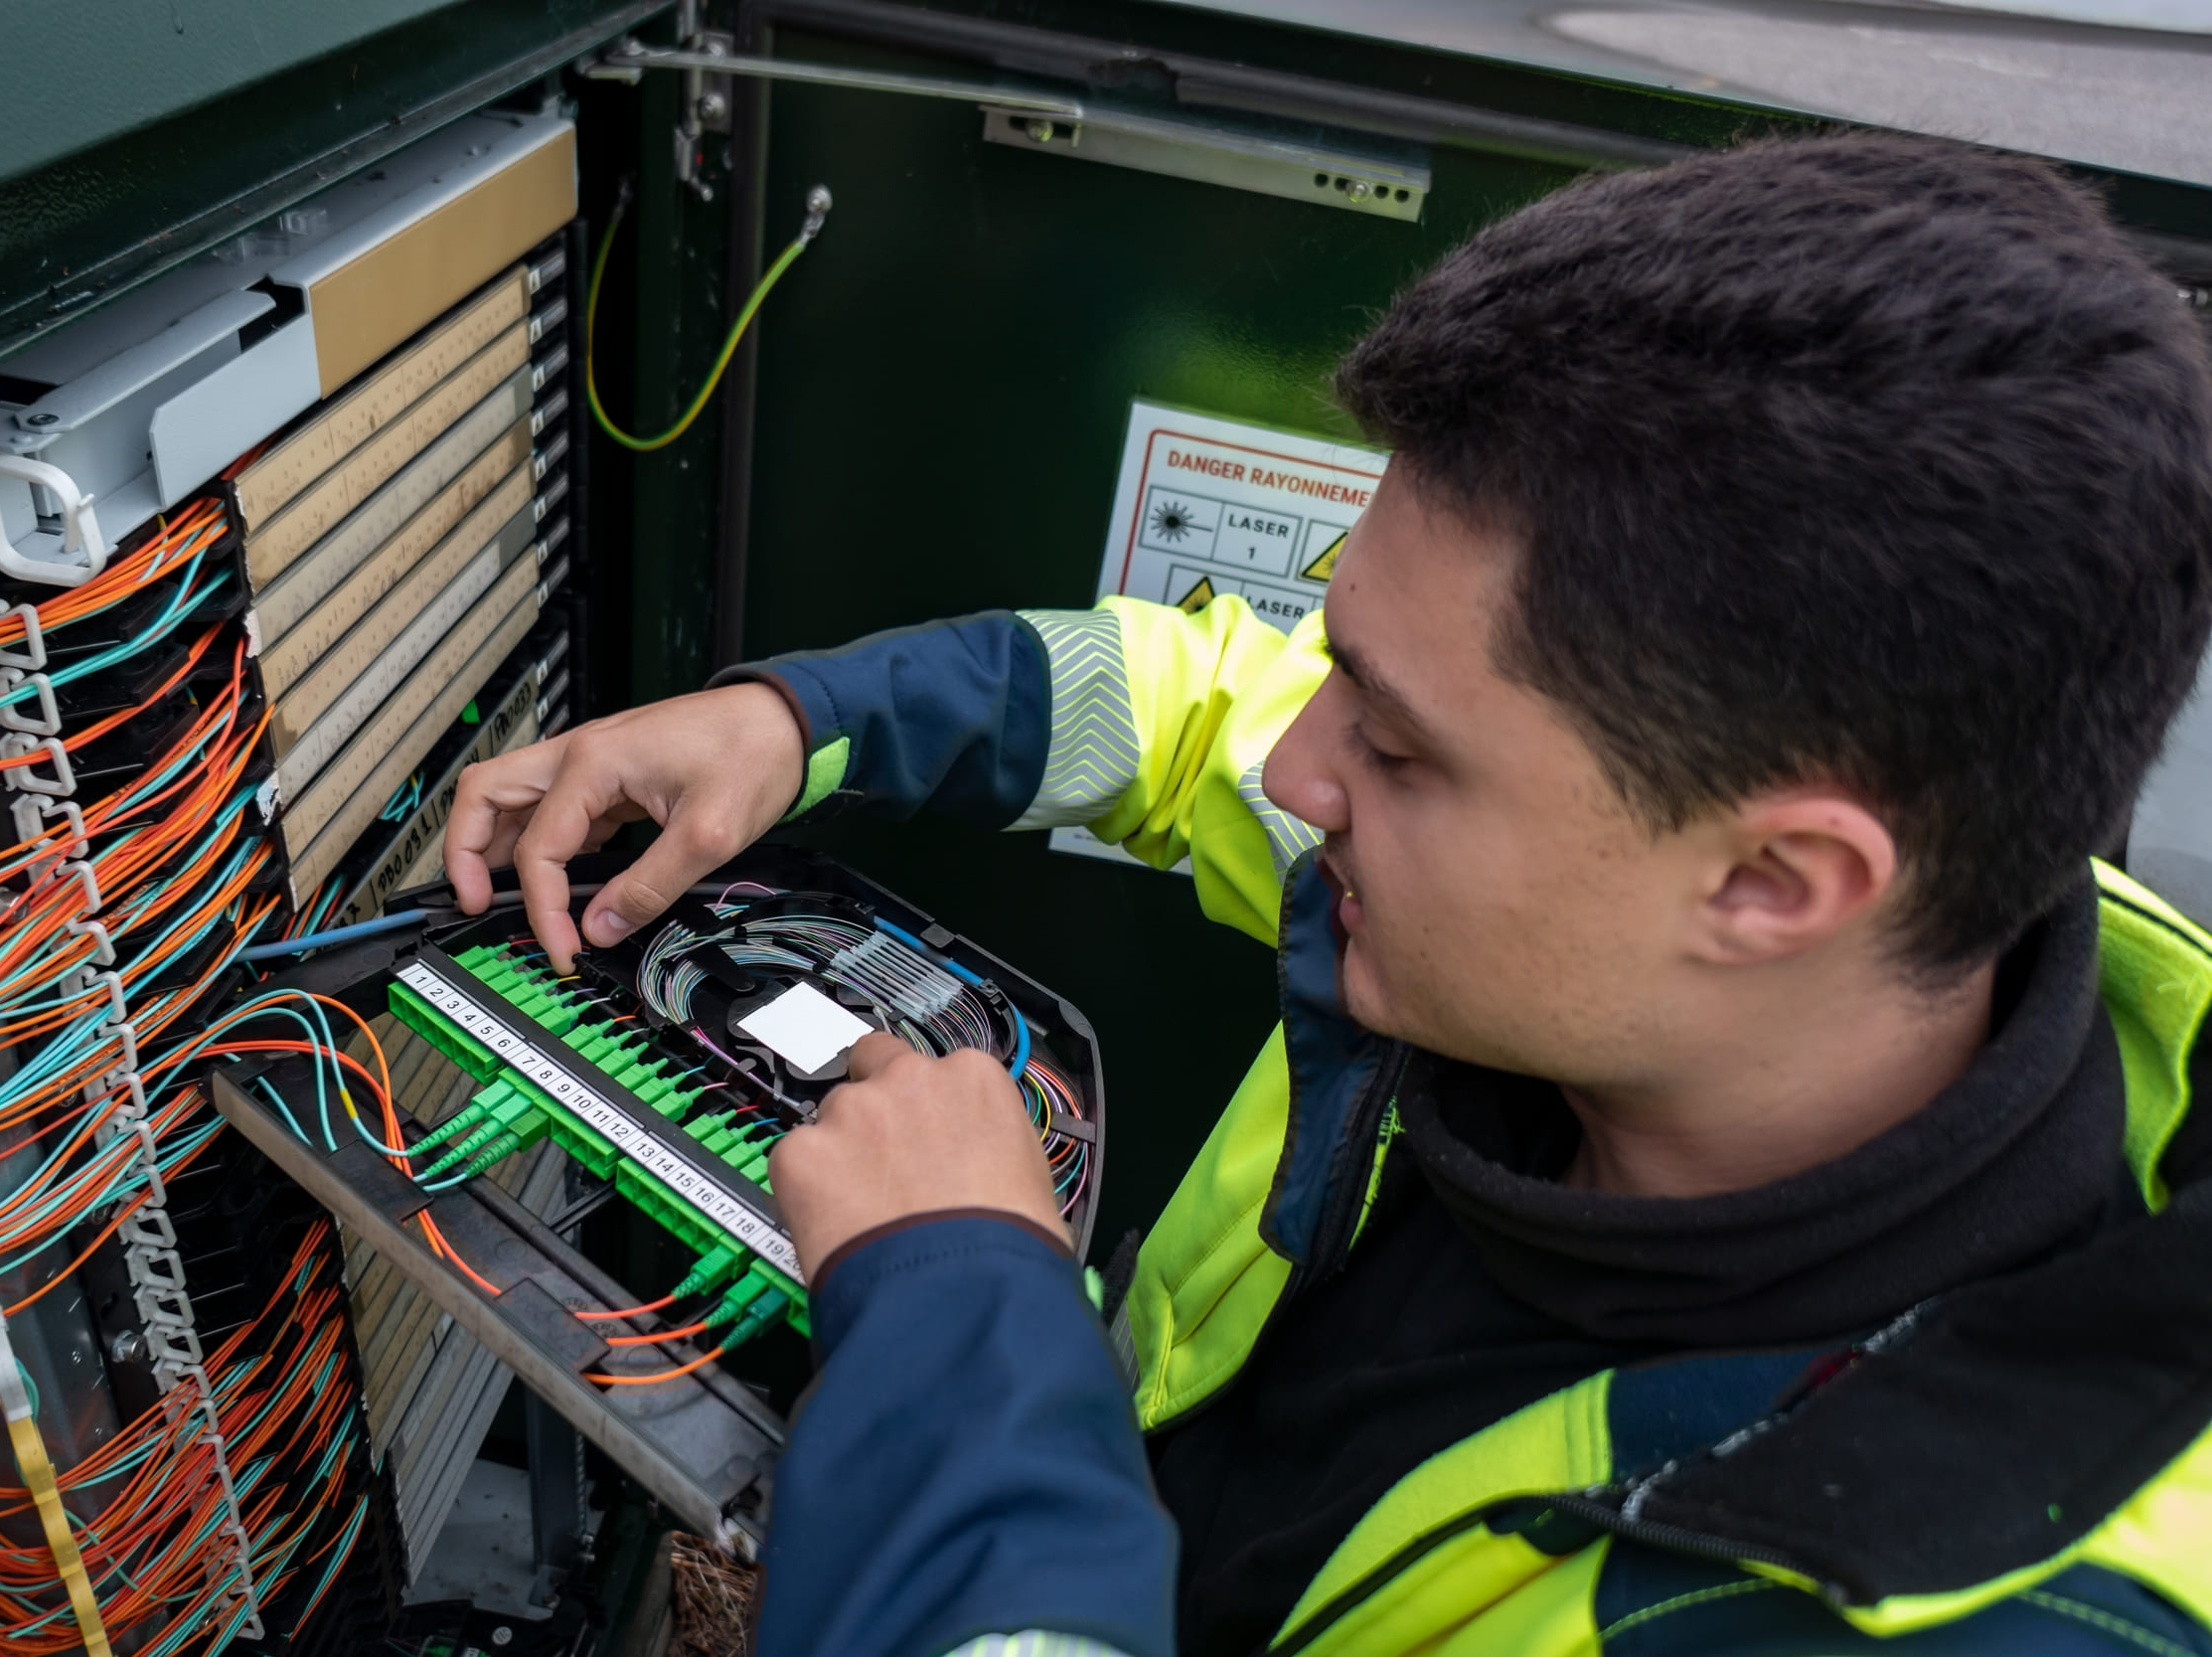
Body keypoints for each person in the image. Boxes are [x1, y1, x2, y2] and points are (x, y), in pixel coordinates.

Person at [444, 133, 2212, 1657]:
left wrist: (962, 1320)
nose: (1300, 773)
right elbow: (1189, 701)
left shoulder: (1931, 1599)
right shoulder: (1581, 912)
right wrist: (796, 719)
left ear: (1773, 880)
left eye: (1407, 747)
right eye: (1342, 664)